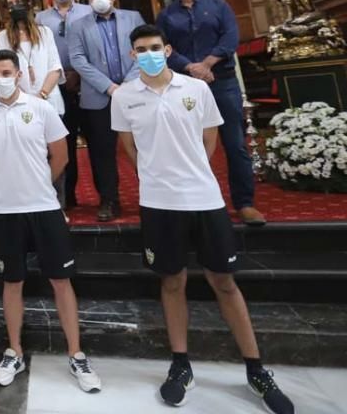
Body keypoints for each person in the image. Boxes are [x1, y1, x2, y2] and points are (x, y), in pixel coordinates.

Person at [111, 25, 293, 412]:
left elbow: (210, 140)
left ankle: (256, 369)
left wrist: (190, 171)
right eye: (141, 49)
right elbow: (129, 148)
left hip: (203, 198)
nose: (148, 54)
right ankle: (180, 364)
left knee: (224, 283)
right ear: (131, 55)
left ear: (168, 49)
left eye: (155, 48)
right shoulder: (124, 97)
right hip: (158, 202)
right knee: (172, 282)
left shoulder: (195, 89)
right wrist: (160, 174)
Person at [0, 50, 102, 393]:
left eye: (6, 71)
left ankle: (76, 353)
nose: (1, 77)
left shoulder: (40, 108)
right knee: (11, 282)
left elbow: (61, 154)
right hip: (4, 211)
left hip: (44, 208)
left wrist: (40, 182)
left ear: (18, 74)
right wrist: (4, 179)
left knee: (61, 280)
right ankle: (14, 351)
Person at [157, 0, 265, 226]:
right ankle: (195, 202)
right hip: (184, 85)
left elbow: (230, 37)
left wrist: (207, 64)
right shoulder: (166, 15)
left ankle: (244, 203)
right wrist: (190, 67)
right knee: (189, 146)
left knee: (235, 144)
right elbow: (164, 47)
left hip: (222, 81)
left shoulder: (218, 6)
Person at [68, 0, 144, 222]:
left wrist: (127, 84)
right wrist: (110, 87)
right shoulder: (78, 25)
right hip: (99, 98)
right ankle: (109, 199)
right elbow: (78, 60)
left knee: (144, 146)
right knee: (102, 152)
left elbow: (143, 50)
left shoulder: (133, 18)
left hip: (134, 92)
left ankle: (153, 194)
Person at [36, 0, 94, 209]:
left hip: (89, 83)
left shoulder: (88, 11)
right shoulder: (41, 18)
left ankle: (106, 197)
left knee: (97, 143)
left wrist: (80, 73)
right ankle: (68, 196)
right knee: (63, 142)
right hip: (58, 86)